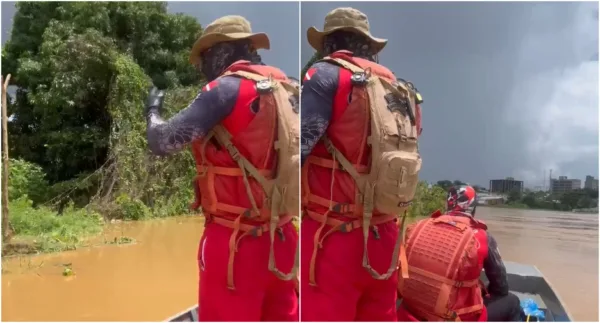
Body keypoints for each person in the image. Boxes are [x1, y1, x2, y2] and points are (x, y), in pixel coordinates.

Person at [144, 15, 299, 321]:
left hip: (235, 245)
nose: (202, 66)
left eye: (205, 56)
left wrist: (152, 110)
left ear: (222, 51)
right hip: (282, 236)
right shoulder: (290, 89)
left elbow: (161, 141)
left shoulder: (225, 90)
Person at [300, 7, 424, 321]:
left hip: (334, 239)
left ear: (328, 44)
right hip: (386, 237)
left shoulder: (325, 75)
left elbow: (296, 150)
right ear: (367, 45)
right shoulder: (402, 89)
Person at [397, 185, 523, 322]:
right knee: (513, 302)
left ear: (448, 204)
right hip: (454, 318)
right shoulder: (481, 237)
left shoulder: (419, 226)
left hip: (410, 310)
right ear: (473, 208)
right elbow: (501, 287)